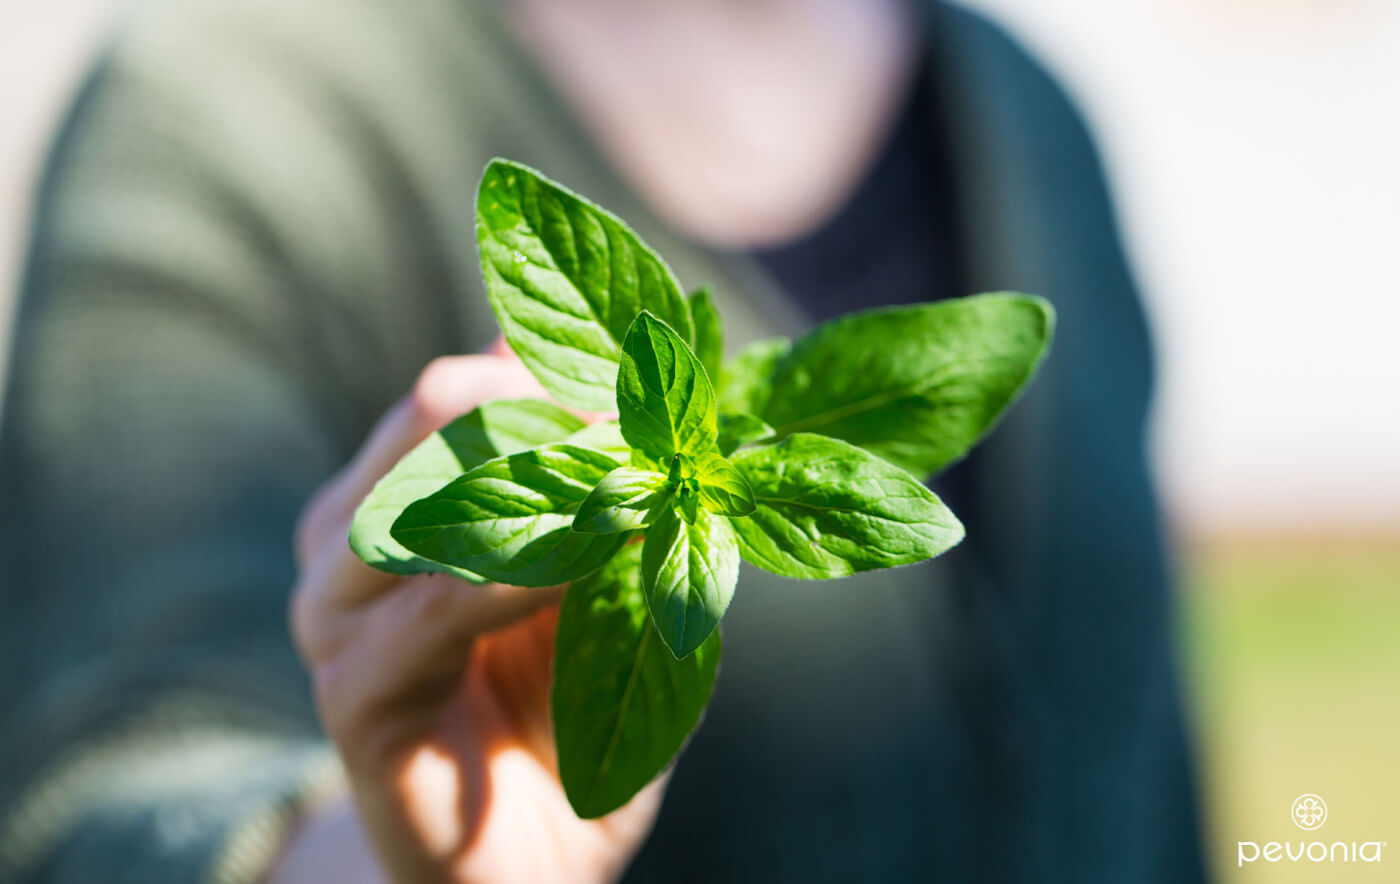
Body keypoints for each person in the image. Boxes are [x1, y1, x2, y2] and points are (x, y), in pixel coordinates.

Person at [0, 0, 1209, 880]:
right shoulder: (237, 103)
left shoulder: (1026, 115)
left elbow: (1154, 773)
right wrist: (371, 857)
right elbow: (104, 803)